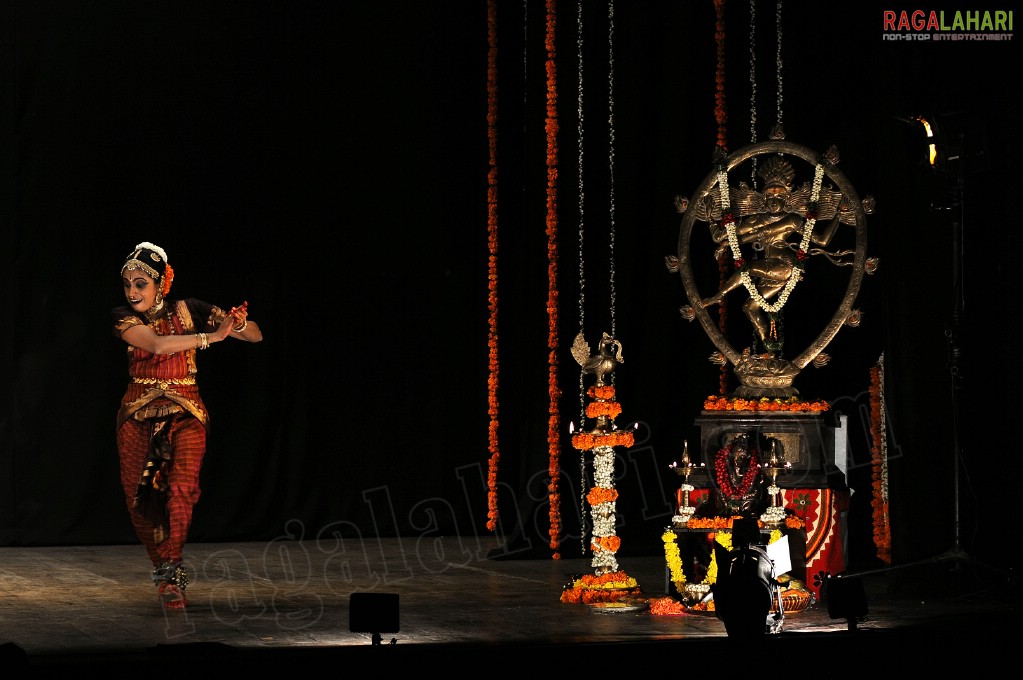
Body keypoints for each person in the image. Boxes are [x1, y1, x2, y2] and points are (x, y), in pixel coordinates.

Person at [112, 241, 262, 609]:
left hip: (185, 411)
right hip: (139, 413)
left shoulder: (189, 309)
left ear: (161, 283)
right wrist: (212, 337)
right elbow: (157, 345)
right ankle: (165, 566)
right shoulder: (122, 317)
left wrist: (236, 324)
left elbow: (255, 334)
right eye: (128, 284)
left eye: (141, 284)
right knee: (139, 499)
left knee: (180, 488)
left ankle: (170, 574)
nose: (132, 292)